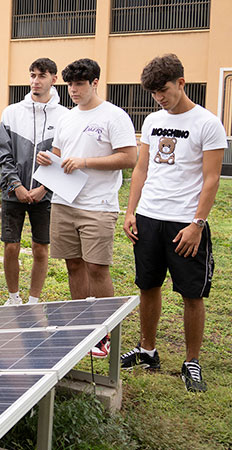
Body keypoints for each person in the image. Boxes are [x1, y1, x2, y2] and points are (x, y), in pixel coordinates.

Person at [120, 54, 225, 392]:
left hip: (185, 222)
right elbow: (141, 169)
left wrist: (197, 223)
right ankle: (148, 349)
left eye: (163, 90)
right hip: (149, 217)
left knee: (191, 294)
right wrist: (131, 210)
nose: (159, 98)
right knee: (147, 286)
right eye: (153, 93)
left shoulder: (208, 123)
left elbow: (211, 180)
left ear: (181, 82)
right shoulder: (152, 120)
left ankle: (191, 361)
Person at [35, 58, 137, 358]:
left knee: (97, 267)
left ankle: (103, 331)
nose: (73, 90)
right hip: (64, 201)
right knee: (73, 264)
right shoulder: (67, 117)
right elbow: (59, 152)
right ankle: (82, 326)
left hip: (98, 204)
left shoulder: (114, 117)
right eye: (70, 85)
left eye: (79, 84)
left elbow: (129, 158)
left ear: (95, 83)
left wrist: (85, 162)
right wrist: (48, 158)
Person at [0, 58, 68, 306]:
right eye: (32, 75)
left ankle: (34, 300)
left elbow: (64, 158)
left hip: (45, 196)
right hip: (13, 193)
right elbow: (3, 154)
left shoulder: (65, 117)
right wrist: (17, 186)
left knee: (40, 248)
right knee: (11, 247)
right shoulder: (12, 112)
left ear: (54, 79)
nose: (36, 81)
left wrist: (44, 188)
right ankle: (13, 297)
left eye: (42, 76)